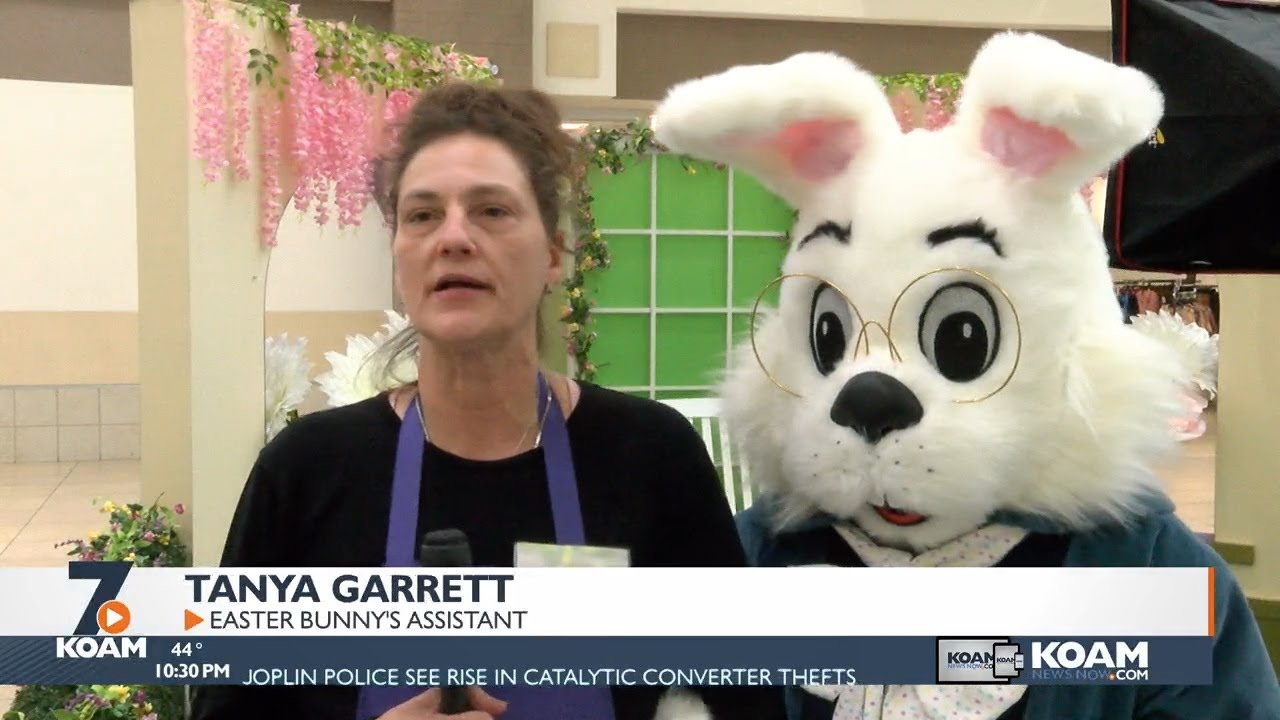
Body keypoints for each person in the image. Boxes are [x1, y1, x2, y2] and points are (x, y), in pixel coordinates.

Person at [189, 81, 785, 720]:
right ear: (399, 259)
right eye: (421, 215)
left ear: (554, 255)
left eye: (492, 211)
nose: (453, 237)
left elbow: (746, 705)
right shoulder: (309, 469)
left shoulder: (649, 455)